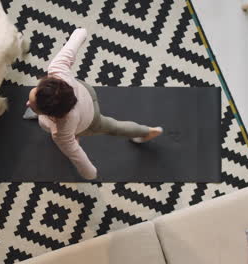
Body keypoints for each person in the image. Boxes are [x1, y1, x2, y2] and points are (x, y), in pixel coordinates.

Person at [26, 28, 163, 180]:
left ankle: (146, 131)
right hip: (87, 93)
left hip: (90, 120)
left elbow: (76, 153)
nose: (27, 103)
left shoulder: (61, 132)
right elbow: (72, 44)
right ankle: (144, 131)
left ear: (52, 114)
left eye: (33, 105)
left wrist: (89, 173)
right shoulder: (56, 69)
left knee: (113, 127)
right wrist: (81, 33)